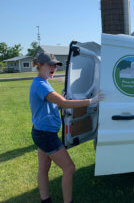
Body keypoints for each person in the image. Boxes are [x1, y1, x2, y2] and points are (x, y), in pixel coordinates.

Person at [29, 52, 103, 203]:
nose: (54, 68)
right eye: (50, 64)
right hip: (45, 134)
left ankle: (45, 200)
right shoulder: (40, 84)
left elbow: (54, 102)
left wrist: (61, 98)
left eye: (55, 65)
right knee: (69, 168)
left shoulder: (42, 81)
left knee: (43, 166)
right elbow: (63, 103)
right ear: (40, 65)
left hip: (41, 131)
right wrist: (91, 101)